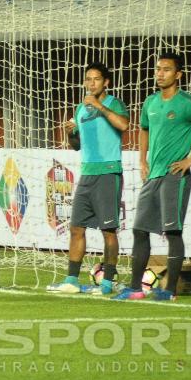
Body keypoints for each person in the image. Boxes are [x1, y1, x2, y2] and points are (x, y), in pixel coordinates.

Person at [115, 52, 191, 301]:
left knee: (172, 232)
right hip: (152, 176)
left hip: (176, 176)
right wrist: (142, 160)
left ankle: (169, 290)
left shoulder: (187, 102)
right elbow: (143, 129)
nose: (160, 74)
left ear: (178, 75)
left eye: (166, 69)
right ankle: (134, 288)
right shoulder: (150, 102)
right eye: (157, 69)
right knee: (139, 230)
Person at [46, 63, 129, 295]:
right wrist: (69, 132)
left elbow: (124, 124)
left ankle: (107, 282)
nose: (91, 83)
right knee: (76, 228)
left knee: (108, 231)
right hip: (87, 174)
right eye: (88, 79)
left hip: (108, 172)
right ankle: (71, 280)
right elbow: (76, 146)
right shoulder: (81, 109)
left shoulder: (114, 103)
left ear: (106, 82)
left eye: (96, 79)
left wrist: (99, 106)